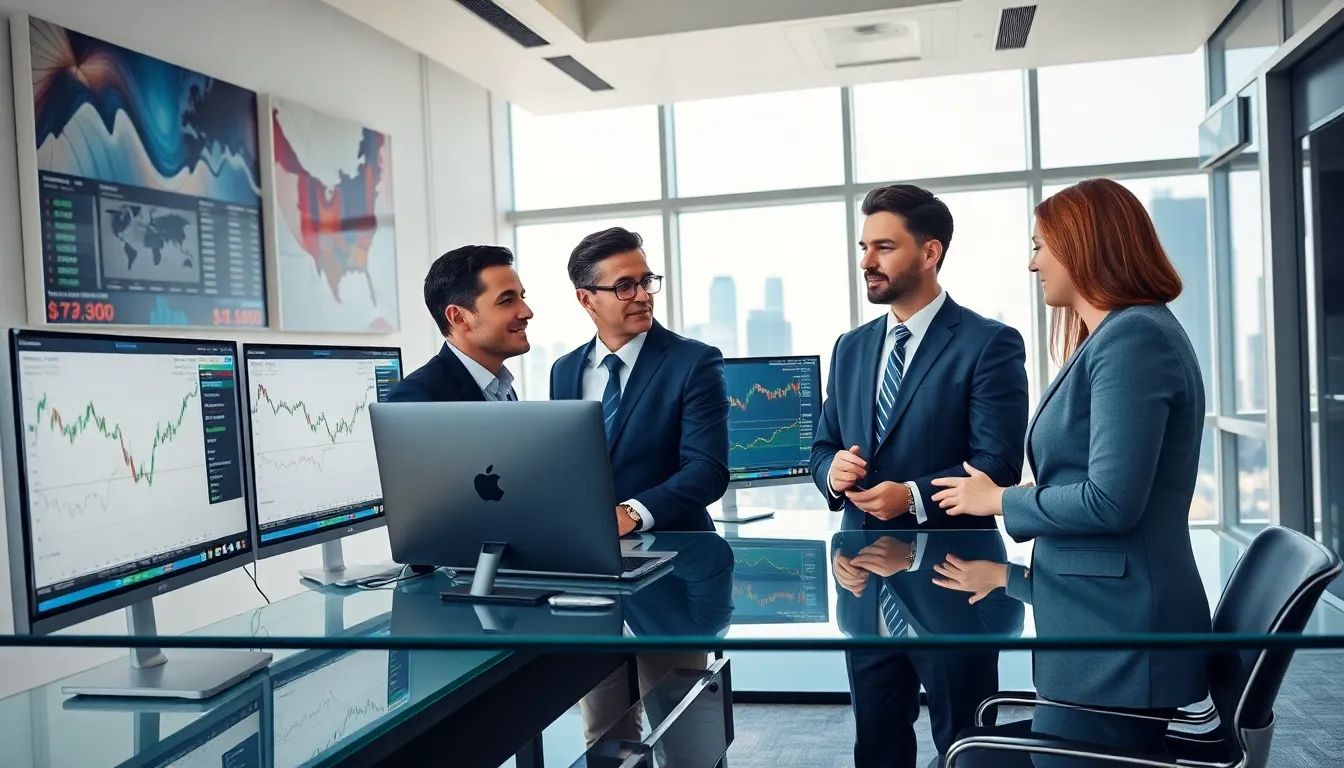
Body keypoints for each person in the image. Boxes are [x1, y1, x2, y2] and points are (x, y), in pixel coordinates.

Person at [930, 178, 1213, 767]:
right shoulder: (1117, 334)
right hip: (1102, 625)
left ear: (1082, 247)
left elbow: (1111, 503)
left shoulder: (1133, 338)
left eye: (1039, 247)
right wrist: (1010, 578)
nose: (1032, 266)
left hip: (1120, 652)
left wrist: (999, 501)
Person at [810, 184, 1030, 768]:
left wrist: (909, 497)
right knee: (877, 742)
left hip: (955, 581)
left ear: (930, 252)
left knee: (964, 742)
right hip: (863, 580)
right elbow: (823, 445)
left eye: (883, 246)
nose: (866, 262)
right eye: (863, 247)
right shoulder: (851, 347)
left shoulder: (989, 343)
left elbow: (1000, 464)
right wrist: (831, 472)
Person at [548, 226, 729, 746]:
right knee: (604, 735)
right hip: (591, 585)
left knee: (687, 739)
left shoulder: (694, 361)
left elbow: (707, 470)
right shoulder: (564, 371)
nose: (643, 295)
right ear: (587, 299)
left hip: (669, 575)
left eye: (647, 280)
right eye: (625, 285)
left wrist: (631, 511)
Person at [388, 245, 532, 403]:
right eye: (506, 301)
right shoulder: (417, 398)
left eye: (521, 297)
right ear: (459, 318)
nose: (527, 312)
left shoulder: (502, 387)